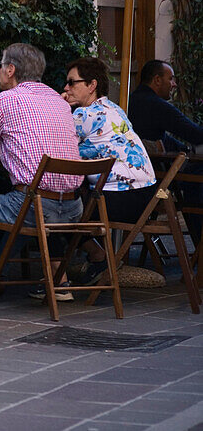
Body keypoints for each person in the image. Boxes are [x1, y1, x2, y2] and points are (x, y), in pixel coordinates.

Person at [0, 43, 83, 300]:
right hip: (73, 209)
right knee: (23, 212)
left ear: (10, 70)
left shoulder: (5, 100)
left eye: (1, 66)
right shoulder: (60, 102)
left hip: (33, 206)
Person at [62, 57, 155, 285]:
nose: (65, 88)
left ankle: (98, 257)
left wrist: (60, 105)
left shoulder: (83, 116)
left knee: (55, 210)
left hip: (120, 200)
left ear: (91, 85)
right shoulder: (113, 108)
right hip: (147, 200)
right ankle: (98, 258)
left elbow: (55, 145)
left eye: (72, 83)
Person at [127, 59, 203, 243]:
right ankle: (199, 243)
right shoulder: (155, 105)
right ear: (157, 80)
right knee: (199, 176)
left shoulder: (132, 100)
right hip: (157, 181)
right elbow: (196, 134)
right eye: (171, 79)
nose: (174, 84)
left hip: (140, 175)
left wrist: (184, 149)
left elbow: (165, 139)